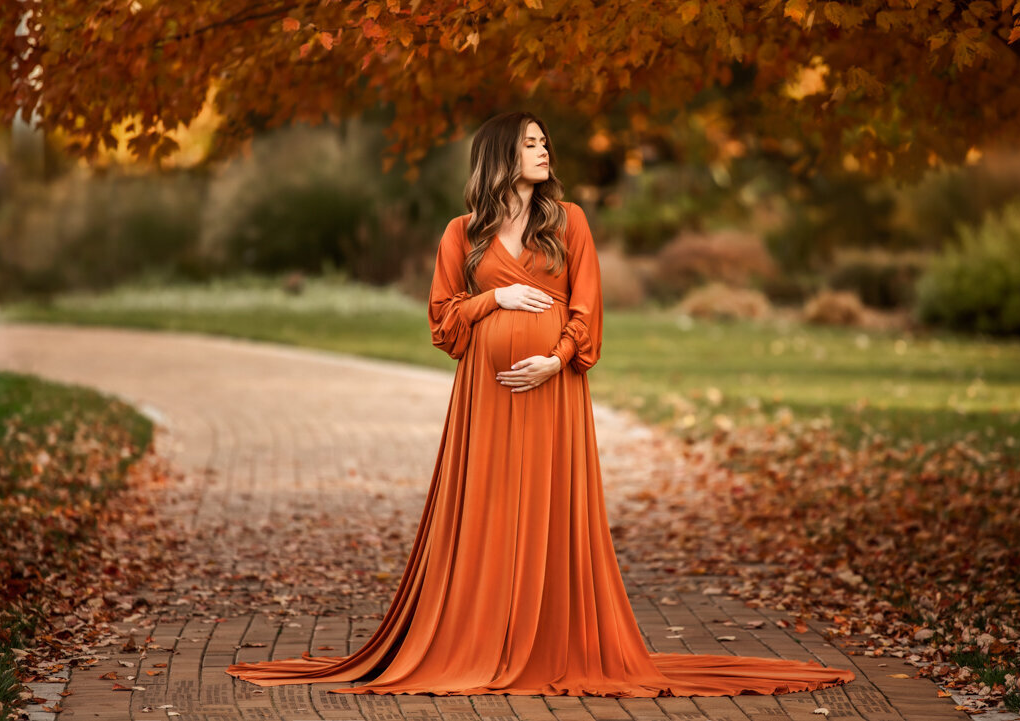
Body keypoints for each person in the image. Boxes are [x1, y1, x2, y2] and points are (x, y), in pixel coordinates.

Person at [224, 111, 857, 697]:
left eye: (545, 142)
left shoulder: (570, 220)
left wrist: (556, 359)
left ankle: (550, 641)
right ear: (500, 156)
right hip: (486, 398)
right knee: (488, 507)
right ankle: (478, 638)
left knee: (551, 507)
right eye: (530, 143)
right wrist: (494, 303)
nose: (544, 150)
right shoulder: (462, 233)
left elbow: (589, 308)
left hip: (554, 393)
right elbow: (443, 323)